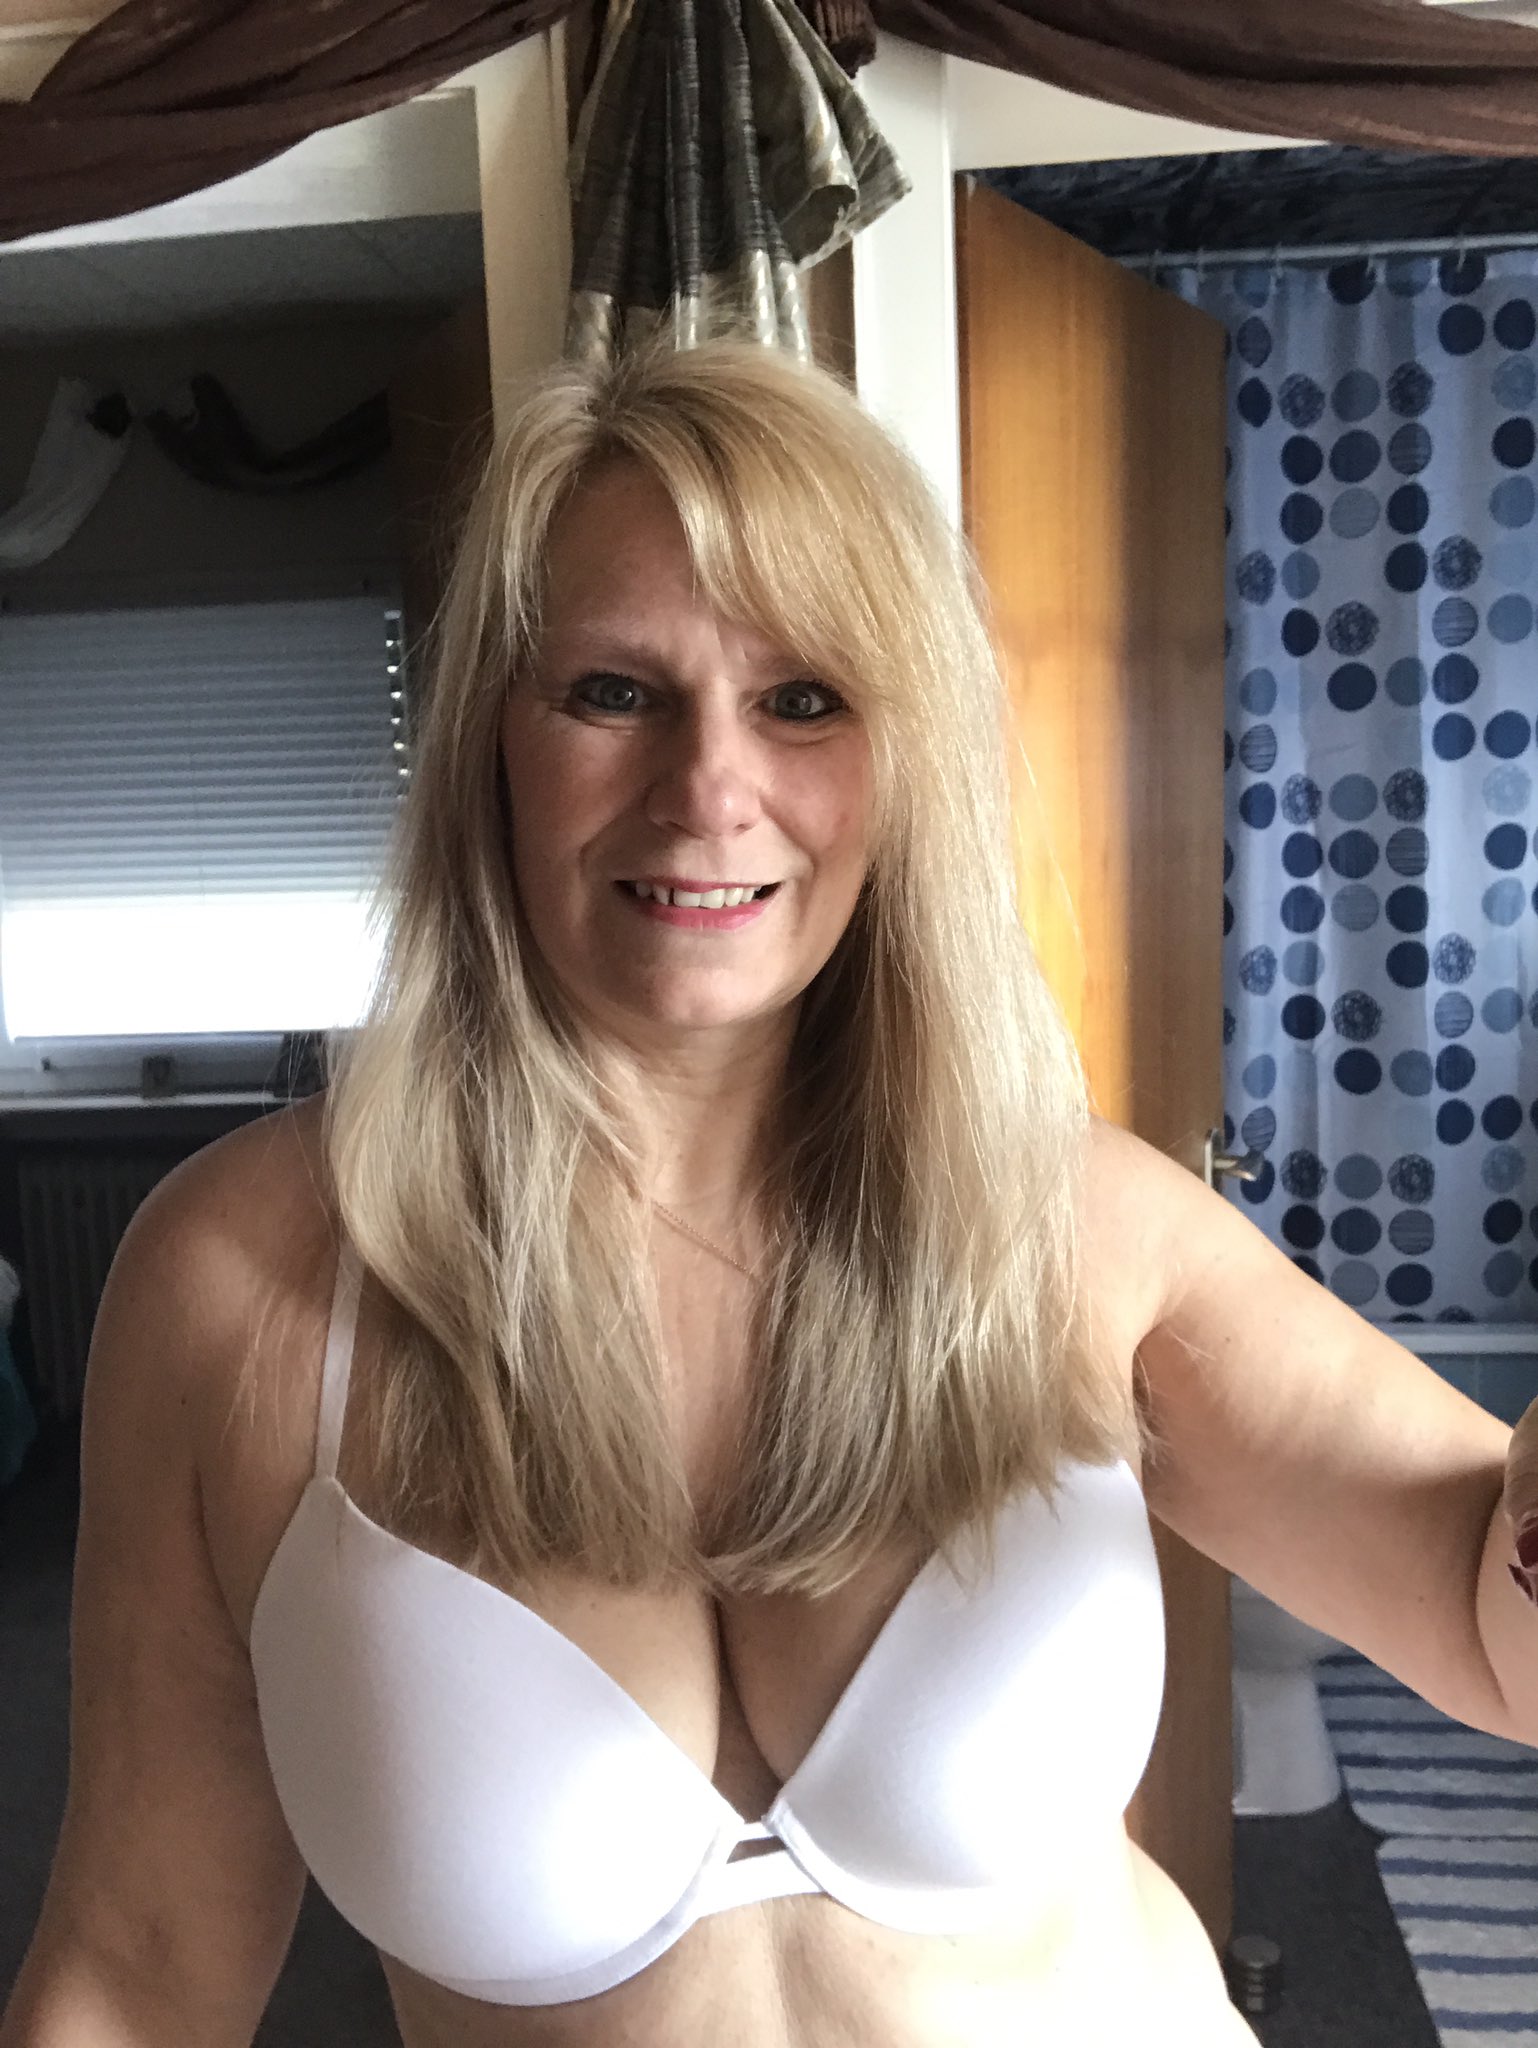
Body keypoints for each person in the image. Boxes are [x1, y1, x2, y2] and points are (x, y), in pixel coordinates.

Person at [4, 335, 1534, 2048]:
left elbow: (1493, 1632)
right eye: (613, 692)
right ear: (490, 740)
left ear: (901, 758)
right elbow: (139, 1965)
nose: (707, 792)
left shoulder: (1079, 1230)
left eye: (802, 699)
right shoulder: (244, 1284)